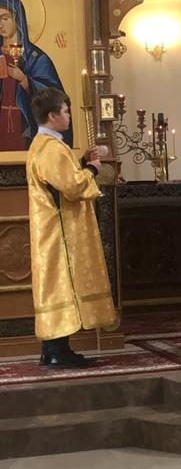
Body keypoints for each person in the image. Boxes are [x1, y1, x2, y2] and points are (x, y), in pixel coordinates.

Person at [26, 87, 116, 368]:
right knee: (61, 284)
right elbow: (72, 186)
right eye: (65, 111)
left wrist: (81, 162)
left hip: (52, 229)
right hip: (59, 232)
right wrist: (93, 169)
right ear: (53, 115)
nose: (69, 117)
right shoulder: (51, 148)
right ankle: (56, 351)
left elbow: (60, 179)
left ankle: (53, 349)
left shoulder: (43, 145)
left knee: (56, 285)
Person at [0, 0, 71, 152]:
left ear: (17, 19)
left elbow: (56, 98)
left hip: (24, 124)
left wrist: (24, 80)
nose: (0, 24)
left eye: (5, 18)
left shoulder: (37, 58)